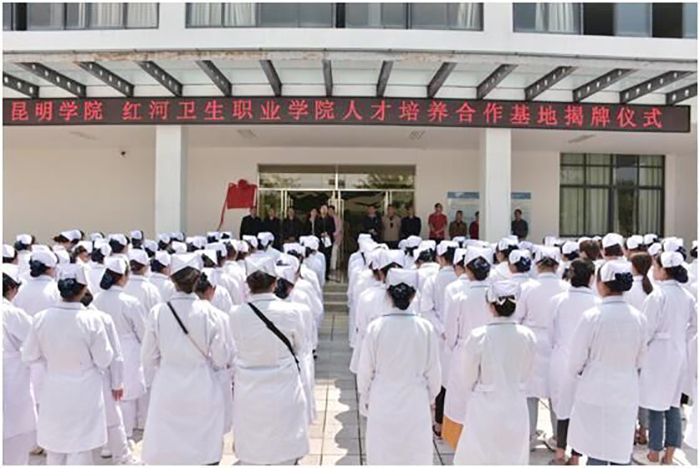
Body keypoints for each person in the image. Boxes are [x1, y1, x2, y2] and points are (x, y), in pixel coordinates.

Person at [140, 253, 231, 465]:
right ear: (199, 279)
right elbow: (221, 359)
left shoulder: (158, 312)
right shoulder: (213, 314)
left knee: (169, 448)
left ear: (172, 279)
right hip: (202, 386)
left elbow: (147, 358)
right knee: (202, 446)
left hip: (167, 386)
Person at [21, 264, 114, 465]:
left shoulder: (41, 318)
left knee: (55, 448)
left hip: (53, 387)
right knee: (80, 451)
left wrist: (50, 359)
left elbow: (28, 355)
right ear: (84, 289)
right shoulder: (92, 319)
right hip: (85, 389)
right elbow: (104, 359)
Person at [229, 256, 310, 465]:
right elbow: (300, 347)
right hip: (284, 384)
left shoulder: (235, 313)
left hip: (249, 387)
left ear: (248, 285)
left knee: (253, 443)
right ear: (275, 283)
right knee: (285, 441)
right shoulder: (291, 311)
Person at [357, 269, 441, 465]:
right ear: (414, 295)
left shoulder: (376, 327)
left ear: (388, 294)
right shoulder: (425, 328)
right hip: (415, 401)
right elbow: (434, 374)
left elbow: (365, 372)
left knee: (383, 454)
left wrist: (366, 396)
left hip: (383, 399)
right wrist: (428, 397)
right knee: (414, 455)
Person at [568, 260, 646, 465]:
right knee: (620, 447)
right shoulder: (639, 318)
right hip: (626, 388)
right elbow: (641, 359)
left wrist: (579, 373)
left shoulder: (592, 316)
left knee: (596, 448)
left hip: (595, 387)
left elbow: (576, 358)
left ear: (601, 284)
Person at [452, 281, 536, 465]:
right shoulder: (527, 335)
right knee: (512, 454)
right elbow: (527, 371)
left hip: (484, 403)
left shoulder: (478, 336)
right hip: (515, 401)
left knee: (480, 454)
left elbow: (468, 376)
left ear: (491, 306)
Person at [635, 251, 696, 465]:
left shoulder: (657, 296)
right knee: (673, 404)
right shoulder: (686, 296)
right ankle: (669, 455)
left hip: (658, 354)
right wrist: (679, 337)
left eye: (656, 266)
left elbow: (646, 329)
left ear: (664, 270)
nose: (653, 270)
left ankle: (653, 452)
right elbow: (694, 327)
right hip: (678, 353)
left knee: (655, 405)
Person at [513, 246, 568, 450]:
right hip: (557, 343)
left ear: (537, 265)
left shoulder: (528, 287)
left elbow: (518, 317)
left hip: (532, 341)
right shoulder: (565, 287)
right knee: (556, 392)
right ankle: (558, 438)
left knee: (530, 391)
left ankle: (528, 437)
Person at [548, 259, 599, 465]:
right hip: (588, 363)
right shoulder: (597, 303)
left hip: (561, 357)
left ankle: (560, 453)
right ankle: (576, 456)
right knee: (581, 409)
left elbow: (551, 333)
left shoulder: (557, 301)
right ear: (592, 278)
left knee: (562, 408)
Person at [442, 247, 492, 449]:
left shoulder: (460, 297)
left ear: (467, 270)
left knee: (461, 402)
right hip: (490, 353)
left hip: (463, 352)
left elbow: (450, 333)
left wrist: (454, 346)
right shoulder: (495, 296)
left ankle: (462, 447)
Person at [93, 258, 147, 443]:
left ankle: (107, 443)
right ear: (123, 277)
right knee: (127, 398)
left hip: (102, 350)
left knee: (107, 398)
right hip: (127, 351)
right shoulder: (130, 302)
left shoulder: (97, 299)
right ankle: (125, 438)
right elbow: (143, 331)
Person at [3, 264, 37, 465]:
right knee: (14, 447)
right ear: (11, 288)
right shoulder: (11, 313)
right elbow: (34, 339)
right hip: (10, 383)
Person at [318, 204, 336, 281]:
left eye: (325, 209)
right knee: (320, 257)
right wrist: (320, 234)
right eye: (322, 209)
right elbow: (316, 229)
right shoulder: (318, 219)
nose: (324, 211)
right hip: (320, 241)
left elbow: (333, 228)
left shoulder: (330, 219)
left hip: (328, 240)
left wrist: (327, 233)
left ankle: (326, 274)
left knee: (327, 257)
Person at [329, 205, 343, 272]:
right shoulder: (327, 218)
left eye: (331, 210)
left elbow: (339, 228)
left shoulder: (337, 219)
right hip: (328, 239)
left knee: (334, 252)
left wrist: (334, 234)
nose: (330, 212)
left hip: (336, 238)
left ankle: (333, 267)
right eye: (329, 210)